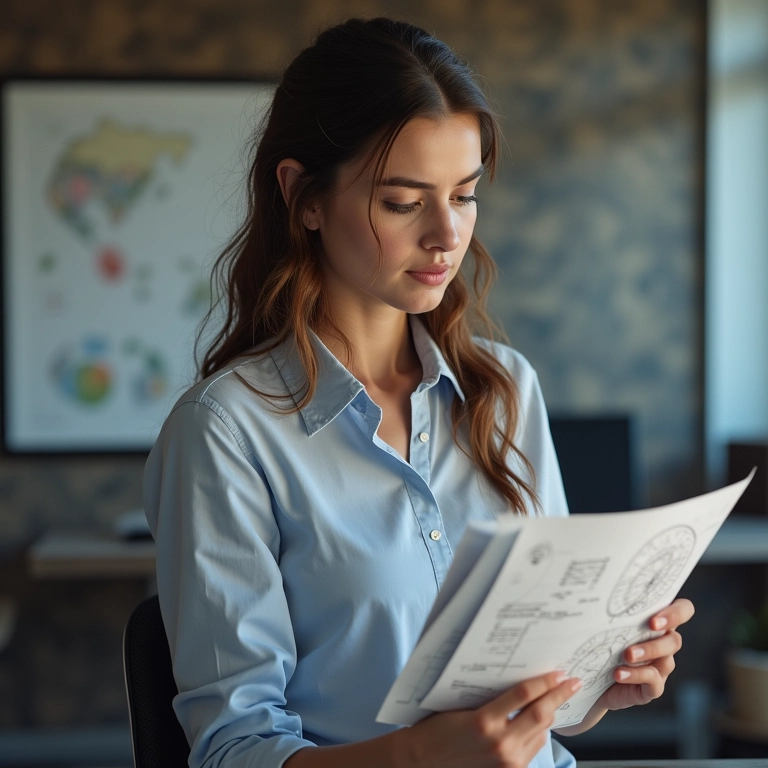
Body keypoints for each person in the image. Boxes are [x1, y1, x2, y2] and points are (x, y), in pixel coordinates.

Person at [143, 17, 694, 768]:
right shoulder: (225, 433)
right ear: (303, 196)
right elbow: (234, 750)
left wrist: (598, 685)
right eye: (403, 203)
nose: (446, 235)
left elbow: (545, 708)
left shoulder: (505, 389)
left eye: (463, 196)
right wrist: (418, 756)